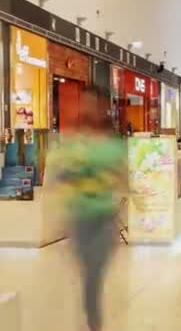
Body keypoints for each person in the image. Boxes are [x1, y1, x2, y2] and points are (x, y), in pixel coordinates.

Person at [45, 89, 126, 331]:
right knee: (87, 276)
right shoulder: (71, 144)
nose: (90, 108)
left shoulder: (113, 146)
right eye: (86, 103)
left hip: (103, 221)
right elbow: (57, 178)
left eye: (95, 104)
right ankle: (91, 318)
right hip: (78, 220)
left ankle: (92, 322)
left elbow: (123, 179)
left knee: (92, 275)